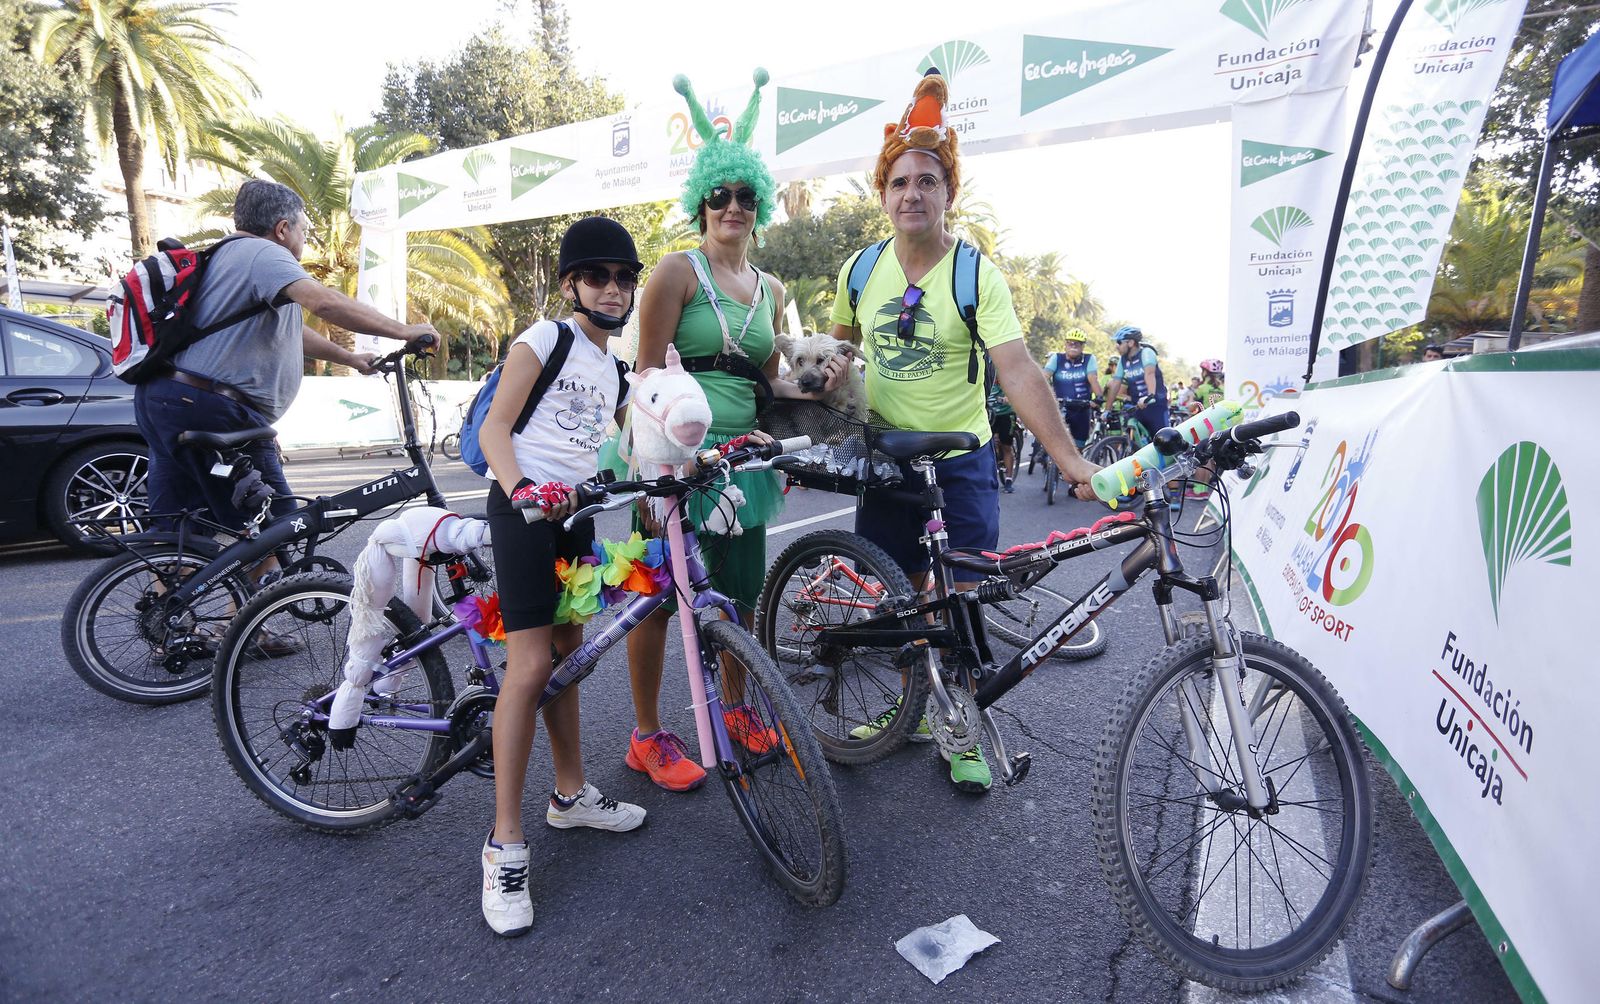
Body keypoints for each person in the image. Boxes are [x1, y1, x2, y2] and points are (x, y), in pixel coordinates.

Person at [828, 68, 1098, 793]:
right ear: (882, 197)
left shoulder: (977, 274)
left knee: (965, 599)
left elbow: (1017, 371)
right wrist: (815, 387)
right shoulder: (860, 269)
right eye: (899, 184)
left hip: (963, 459)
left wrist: (1070, 459)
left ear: (948, 193)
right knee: (893, 597)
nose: (912, 194)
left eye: (927, 182)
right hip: (887, 460)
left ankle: (960, 724)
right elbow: (837, 352)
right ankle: (908, 708)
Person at [617, 69, 848, 794]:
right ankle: (648, 736)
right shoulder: (674, 274)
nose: (733, 206)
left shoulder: (775, 289)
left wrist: (811, 388)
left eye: (746, 195)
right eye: (720, 194)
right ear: (701, 200)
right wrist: (652, 478)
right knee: (655, 595)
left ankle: (740, 710)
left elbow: (766, 379)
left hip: (739, 460)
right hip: (669, 458)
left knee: (739, 593)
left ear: (760, 204)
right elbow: (647, 375)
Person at [475, 216, 649, 937]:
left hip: (575, 515)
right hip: (524, 511)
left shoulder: (614, 366)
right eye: (598, 275)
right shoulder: (544, 338)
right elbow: (495, 429)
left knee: (570, 661)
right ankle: (504, 844)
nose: (614, 288)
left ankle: (570, 795)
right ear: (572, 283)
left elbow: (623, 438)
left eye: (624, 277)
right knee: (529, 666)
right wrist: (521, 492)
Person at [135, 179, 437, 546]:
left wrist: (350, 358)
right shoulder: (264, 254)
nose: (304, 239)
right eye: (304, 229)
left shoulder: (222, 257)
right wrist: (405, 331)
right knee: (273, 529)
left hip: (167, 400)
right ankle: (263, 601)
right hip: (213, 407)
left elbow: (292, 331)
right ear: (282, 228)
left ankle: (165, 601)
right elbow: (324, 303)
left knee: (177, 529)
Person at [1103, 325, 1169, 445]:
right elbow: (1116, 384)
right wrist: (1107, 410)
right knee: (1133, 435)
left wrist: (1150, 396)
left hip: (1155, 403)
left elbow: (1149, 374)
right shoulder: (1123, 360)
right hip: (1137, 404)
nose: (1116, 346)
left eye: (1119, 342)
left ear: (1131, 343)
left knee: (1163, 440)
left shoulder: (1146, 353)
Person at [1041, 328, 1102, 447]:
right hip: (1059, 406)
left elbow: (1093, 379)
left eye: (1077, 343)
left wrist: (1099, 398)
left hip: (1081, 407)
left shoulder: (1089, 359)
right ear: (1065, 344)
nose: (1073, 346)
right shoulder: (1057, 358)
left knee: (1079, 446)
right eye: (1070, 342)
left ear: (1083, 346)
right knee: (1051, 439)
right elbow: (1045, 376)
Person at [988, 382, 1019, 491]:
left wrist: (1007, 398)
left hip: (1006, 415)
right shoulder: (985, 373)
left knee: (1006, 446)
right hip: (989, 414)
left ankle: (1009, 480)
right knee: (988, 445)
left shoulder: (1004, 375)